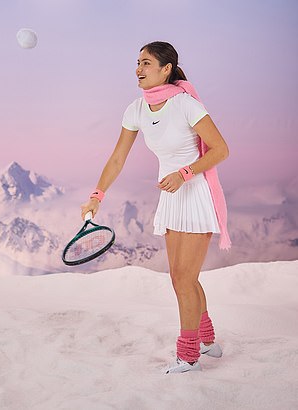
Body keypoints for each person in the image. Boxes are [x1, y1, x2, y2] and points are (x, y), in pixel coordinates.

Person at [80, 41, 230, 374]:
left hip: (195, 194)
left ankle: (189, 354)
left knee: (183, 280)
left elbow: (221, 149)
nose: (139, 69)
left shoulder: (187, 105)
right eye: (137, 62)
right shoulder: (135, 109)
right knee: (182, 278)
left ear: (166, 69)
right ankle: (207, 341)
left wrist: (185, 173)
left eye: (146, 63)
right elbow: (118, 157)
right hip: (172, 197)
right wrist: (97, 195)